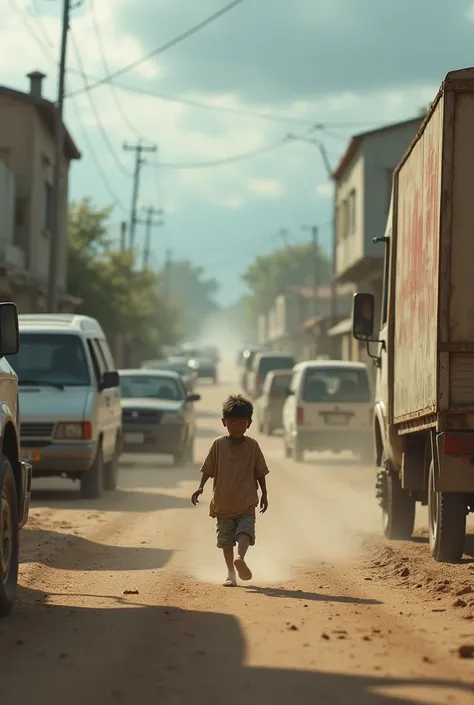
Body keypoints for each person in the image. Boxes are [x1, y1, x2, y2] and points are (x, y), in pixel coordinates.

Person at [191, 394, 269, 587]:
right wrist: (200, 487)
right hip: (223, 502)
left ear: (249, 423)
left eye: (242, 422)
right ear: (223, 422)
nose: (237, 426)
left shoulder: (253, 446)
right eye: (232, 422)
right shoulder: (218, 445)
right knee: (226, 540)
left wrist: (265, 494)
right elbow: (208, 468)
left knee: (245, 531)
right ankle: (230, 573)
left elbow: (260, 472)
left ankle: (240, 559)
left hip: (246, 501)